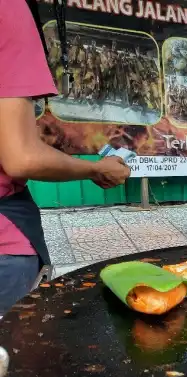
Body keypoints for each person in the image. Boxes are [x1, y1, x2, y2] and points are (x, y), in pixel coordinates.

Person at [0, 1, 131, 315]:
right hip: (4, 246)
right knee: (16, 358)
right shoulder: (8, 9)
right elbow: (22, 158)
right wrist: (95, 168)